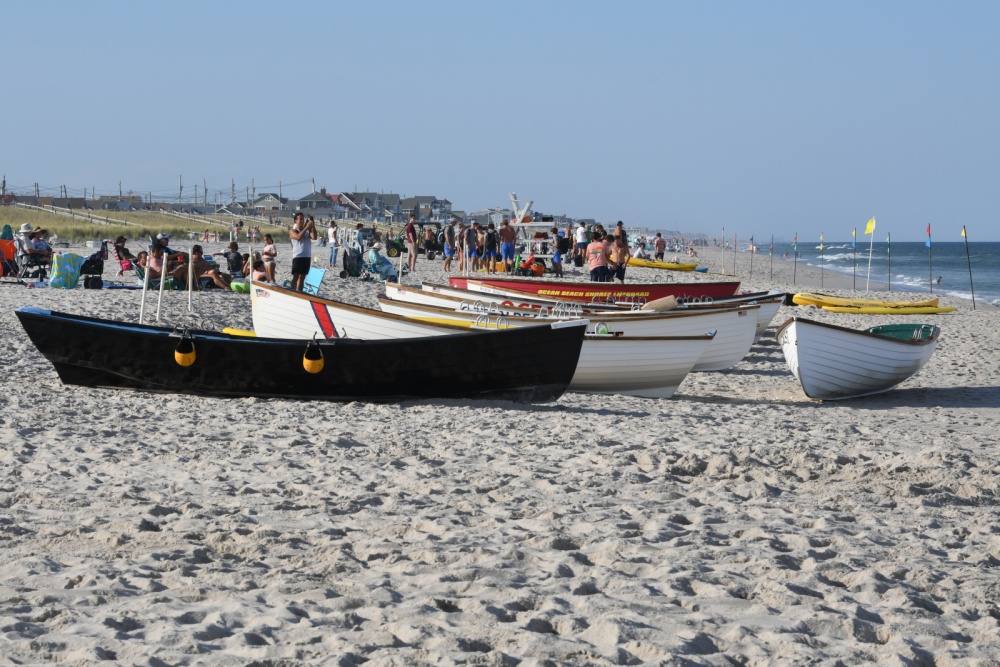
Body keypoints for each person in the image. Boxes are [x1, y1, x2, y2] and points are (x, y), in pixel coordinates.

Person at [289, 211, 317, 291]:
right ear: (295, 220)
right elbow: (298, 237)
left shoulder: (307, 231)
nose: (302, 221)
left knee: (302, 277)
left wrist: (313, 226)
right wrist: (306, 227)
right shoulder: (293, 230)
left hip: (307, 256)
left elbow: (314, 237)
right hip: (298, 256)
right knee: (296, 276)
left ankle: (299, 292)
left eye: (303, 219)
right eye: (300, 219)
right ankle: (293, 292)